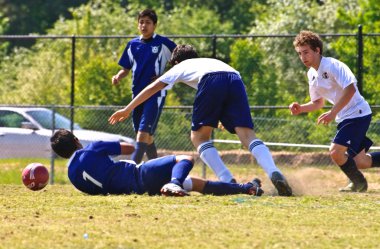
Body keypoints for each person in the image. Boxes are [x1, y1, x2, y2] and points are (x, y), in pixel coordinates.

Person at [108, 44, 292, 196]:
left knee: (199, 137)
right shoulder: (212, 62)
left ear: (177, 61)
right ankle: (273, 171)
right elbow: (225, 86)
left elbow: (153, 88)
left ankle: (228, 181)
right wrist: (223, 114)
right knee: (247, 135)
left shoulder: (181, 66)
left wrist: (127, 109)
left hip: (211, 81)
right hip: (235, 79)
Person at [289, 30, 380, 192]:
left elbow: (351, 88)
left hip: (357, 114)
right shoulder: (311, 74)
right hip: (345, 117)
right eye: (300, 54)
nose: (303, 57)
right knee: (360, 162)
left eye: (306, 52)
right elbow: (317, 103)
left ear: (317, 50)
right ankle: (357, 180)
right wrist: (301, 108)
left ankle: (359, 184)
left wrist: (332, 112)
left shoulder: (332, 65)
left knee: (336, 153)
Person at [50, 129, 264, 197]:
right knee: (185, 159)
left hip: (133, 191)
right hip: (140, 177)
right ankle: (173, 183)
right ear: (76, 140)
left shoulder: (72, 176)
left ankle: (246, 188)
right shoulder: (92, 148)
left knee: (197, 184)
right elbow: (130, 148)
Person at [111, 9, 177, 164]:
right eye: (141, 22)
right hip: (137, 95)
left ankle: (132, 172)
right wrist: (118, 76)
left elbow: (181, 61)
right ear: (137, 24)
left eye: (148, 22)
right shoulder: (133, 44)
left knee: (142, 134)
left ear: (154, 25)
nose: (144, 25)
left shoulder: (163, 43)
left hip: (155, 94)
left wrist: (164, 76)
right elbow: (125, 68)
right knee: (146, 137)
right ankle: (158, 169)